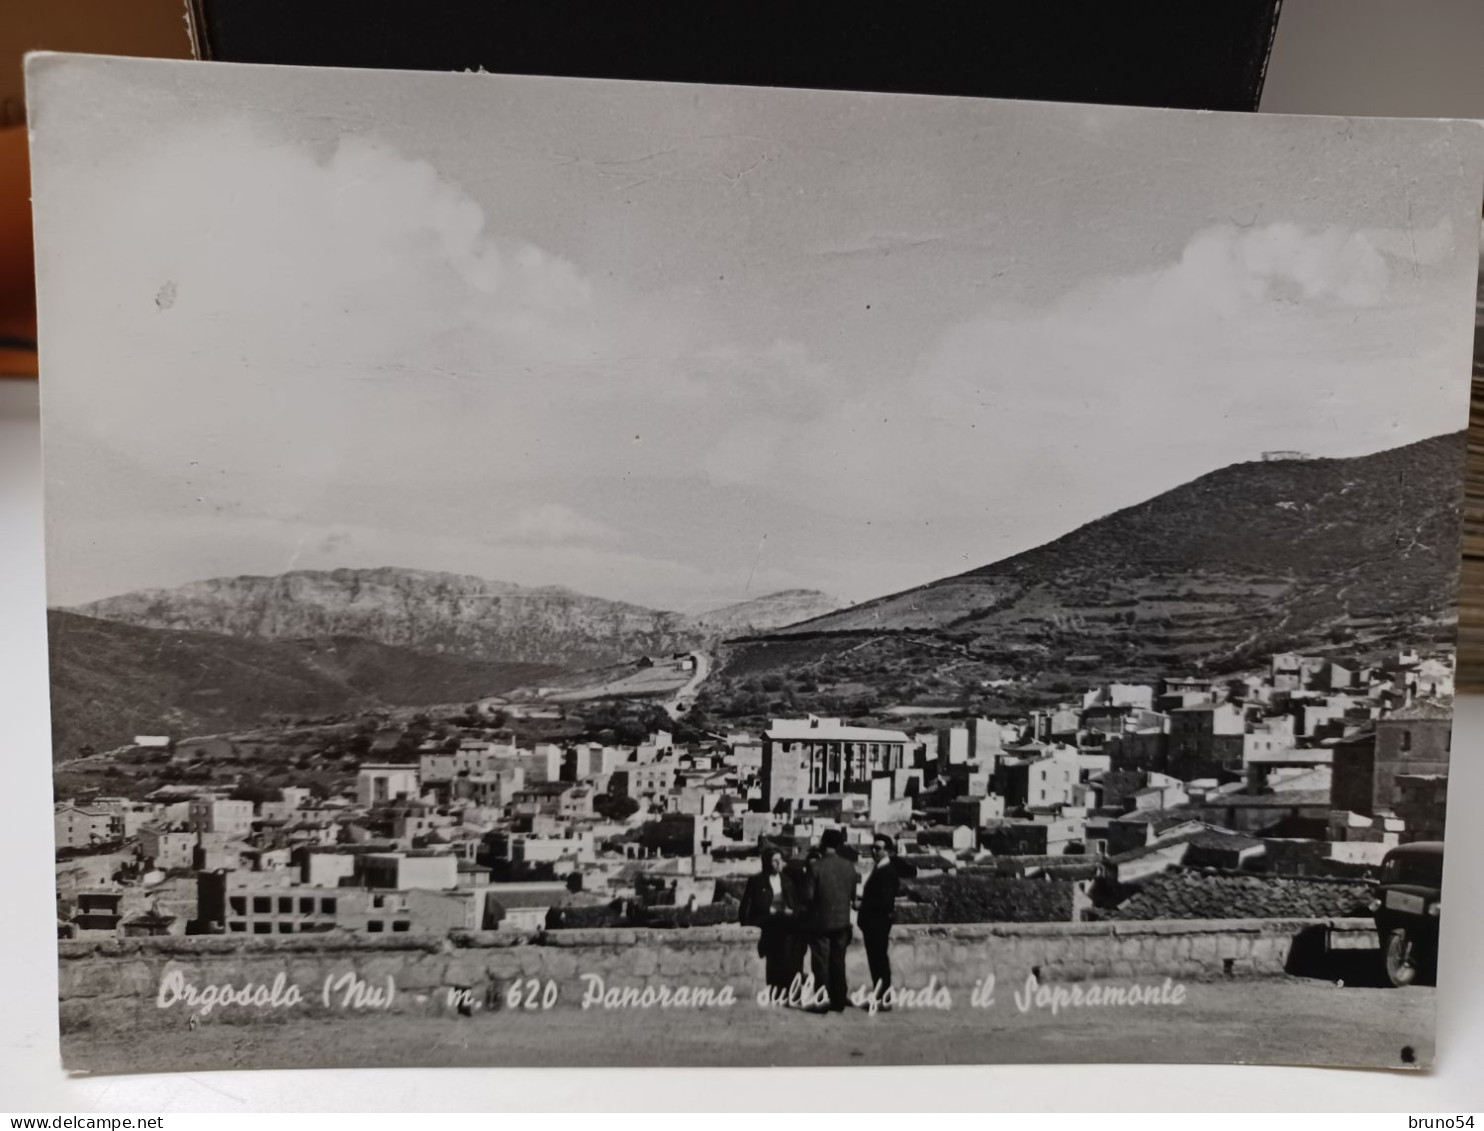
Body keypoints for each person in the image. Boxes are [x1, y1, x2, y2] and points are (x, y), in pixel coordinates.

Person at [857, 834, 915, 1009]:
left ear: (888, 851)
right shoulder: (880, 869)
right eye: (873, 848)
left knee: (879, 961)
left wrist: (862, 903)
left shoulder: (887, 872)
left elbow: (884, 901)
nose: (874, 851)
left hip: (878, 922)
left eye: (878, 848)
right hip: (874, 923)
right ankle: (881, 996)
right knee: (877, 960)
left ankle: (884, 998)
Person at [738, 845, 803, 994]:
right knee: (778, 954)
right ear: (767, 863)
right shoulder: (756, 881)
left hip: (785, 923)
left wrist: (791, 910)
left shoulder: (787, 880)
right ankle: (779, 989)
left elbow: (795, 903)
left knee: (789, 951)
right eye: (775, 861)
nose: (779, 863)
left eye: (780, 860)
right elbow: (746, 907)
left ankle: (787, 988)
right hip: (768, 923)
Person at [806, 827, 858, 1012]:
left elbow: (809, 896)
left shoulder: (815, 867)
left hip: (821, 923)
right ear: (838, 845)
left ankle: (822, 1001)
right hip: (843, 922)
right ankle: (839, 999)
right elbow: (853, 896)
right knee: (838, 961)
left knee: (821, 963)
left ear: (822, 843)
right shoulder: (849, 866)